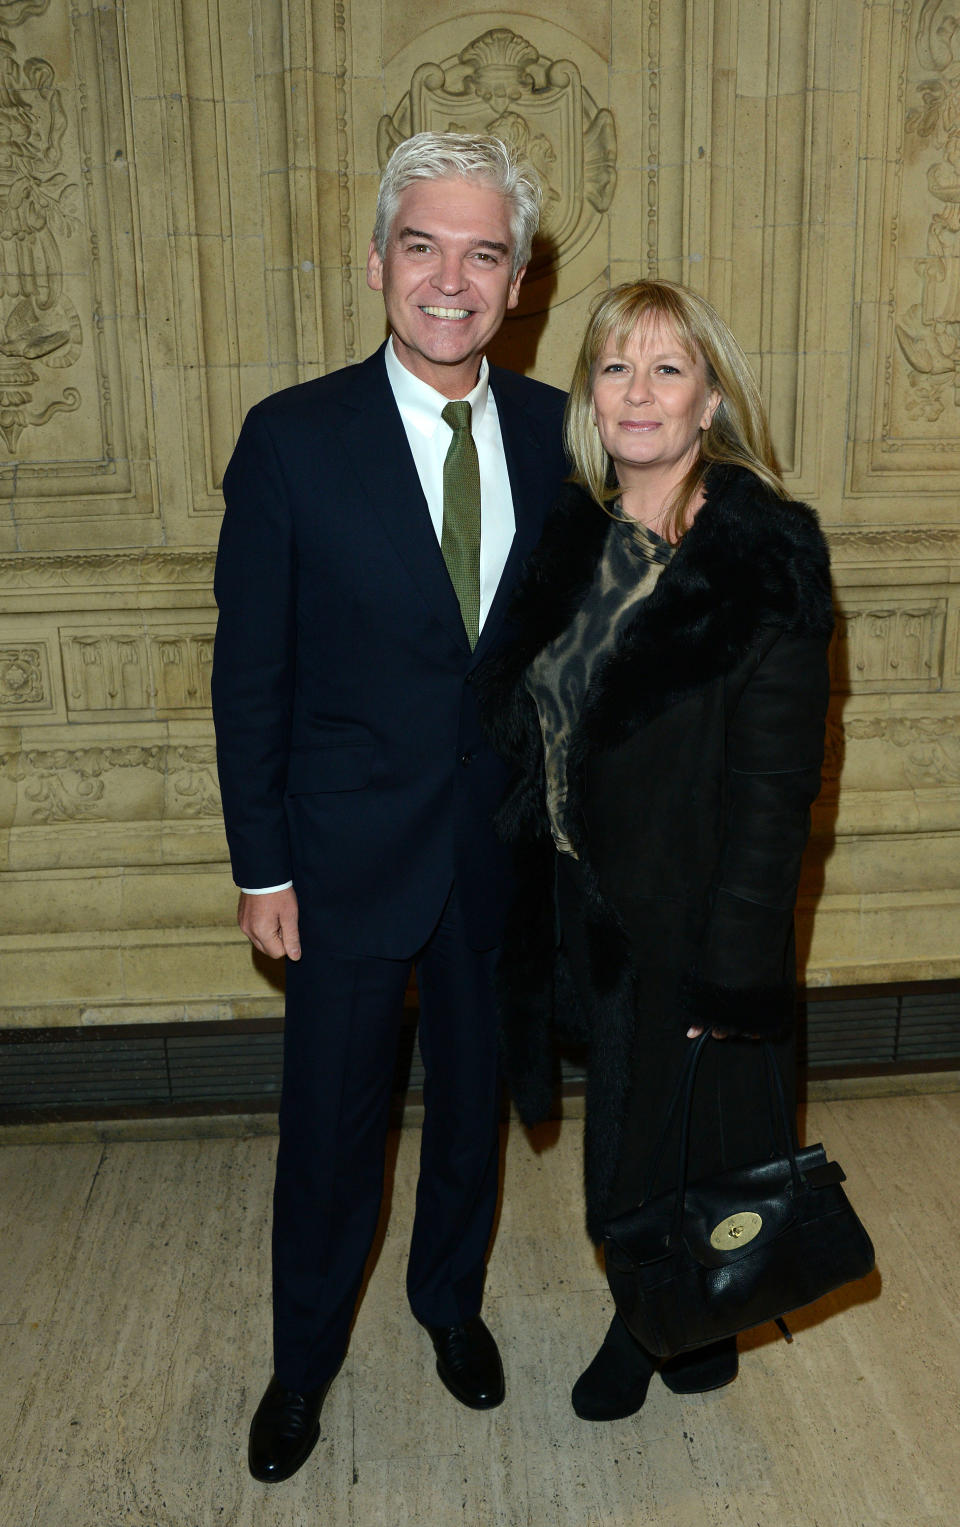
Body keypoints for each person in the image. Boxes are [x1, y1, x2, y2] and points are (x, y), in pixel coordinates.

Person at [211, 131, 567, 1482]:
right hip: (341, 859)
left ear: (518, 280)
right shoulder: (293, 438)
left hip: (496, 859)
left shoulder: (553, 434)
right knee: (331, 1136)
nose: (450, 278)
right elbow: (251, 677)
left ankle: (449, 1306)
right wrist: (263, 863)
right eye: (423, 244)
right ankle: (300, 1364)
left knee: (472, 1112)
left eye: (484, 252)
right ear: (377, 261)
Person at [478, 279, 833, 1421]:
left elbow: (779, 787)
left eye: (667, 369)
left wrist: (737, 966)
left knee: (646, 1144)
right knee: (646, 1122)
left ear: (710, 398)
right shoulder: (574, 528)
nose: (638, 393)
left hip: (691, 914)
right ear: (590, 396)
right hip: (582, 896)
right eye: (616, 369)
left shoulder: (763, 550)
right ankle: (701, 1324)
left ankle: (650, 1322)